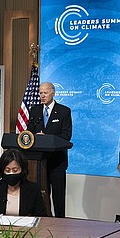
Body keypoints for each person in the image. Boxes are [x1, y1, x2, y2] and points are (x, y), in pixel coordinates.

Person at [28, 81, 72, 218]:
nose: (42, 95)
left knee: (58, 197)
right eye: (40, 93)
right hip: (39, 163)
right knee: (41, 195)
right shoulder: (35, 110)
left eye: (45, 92)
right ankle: (43, 219)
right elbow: (29, 132)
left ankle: (60, 222)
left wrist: (46, 137)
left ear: (53, 93)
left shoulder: (64, 111)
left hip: (57, 162)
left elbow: (66, 135)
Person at [0, 149, 47, 217]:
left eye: (15, 170)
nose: (11, 173)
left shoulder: (33, 189)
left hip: (25, 227)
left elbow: (42, 218)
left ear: (22, 170)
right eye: (7, 170)